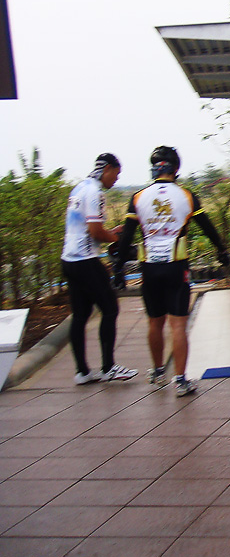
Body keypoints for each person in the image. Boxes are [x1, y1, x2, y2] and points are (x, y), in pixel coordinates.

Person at [114, 146, 229, 397]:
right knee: (178, 324)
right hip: (177, 267)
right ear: (176, 169)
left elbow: (127, 236)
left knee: (155, 322)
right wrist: (222, 250)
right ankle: (180, 381)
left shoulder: (138, 197)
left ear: (154, 168)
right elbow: (207, 227)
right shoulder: (186, 196)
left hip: (149, 268)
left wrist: (118, 267)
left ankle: (157, 373)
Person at [61, 153, 138, 385]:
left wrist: (109, 232)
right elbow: (95, 232)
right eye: (117, 173)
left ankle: (82, 372)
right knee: (110, 308)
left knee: (80, 315)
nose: (117, 179)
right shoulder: (96, 193)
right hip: (86, 260)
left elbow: (86, 228)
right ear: (107, 169)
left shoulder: (79, 188)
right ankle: (108, 368)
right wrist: (116, 237)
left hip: (69, 259)